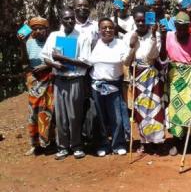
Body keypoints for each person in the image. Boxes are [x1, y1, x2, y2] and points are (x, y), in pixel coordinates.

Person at [41, 8, 92, 160]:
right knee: (61, 116)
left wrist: (63, 59)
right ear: (61, 19)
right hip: (59, 80)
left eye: (71, 18)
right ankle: (62, 147)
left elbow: (86, 62)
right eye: (66, 18)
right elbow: (45, 56)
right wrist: (56, 65)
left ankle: (76, 146)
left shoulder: (82, 37)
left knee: (75, 115)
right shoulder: (54, 36)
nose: (69, 21)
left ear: (75, 19)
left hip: (75, 79)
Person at [123, 5, 167, 154]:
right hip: (138, 76)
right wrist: (131, 45)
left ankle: (158, 141)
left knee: (156, 110)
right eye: (138, 21)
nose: (141, 23)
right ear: (134, 21)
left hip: (153, 75)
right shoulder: (129, 36)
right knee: (140, 111)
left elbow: (152, 57)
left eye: (143, 20)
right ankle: (145, 142)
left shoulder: (155, 34)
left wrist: (154, 36)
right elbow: (126, 62)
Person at [87, 18, 130, 156]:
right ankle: (103, 145)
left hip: (114, 85)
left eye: (110, 27)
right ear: (99, 30)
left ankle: (118, 144)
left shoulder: (120, 44)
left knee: (116, 117)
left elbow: (127, 62)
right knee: (100, 116)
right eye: (104, 28)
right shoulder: (93, 44)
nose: (107, 30)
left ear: (114, 29)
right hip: (97, 85)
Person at [19, 17, 54, 155]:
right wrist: (22, 44)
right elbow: (24, 61)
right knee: (33, 112)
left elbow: (58, 58)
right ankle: (35, 144)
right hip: (34, 81)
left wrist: (45, 65)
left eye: (41, 28)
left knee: (47, 111)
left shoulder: (51, 42)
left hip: (49, 79)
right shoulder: (29, 43)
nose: (38, 31)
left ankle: (49, 142)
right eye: (35, 29)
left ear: (47, 30)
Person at [165, 12, 191, 156]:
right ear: (175, 26)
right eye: (179, 28)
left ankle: (190, 142)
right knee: (175, 108)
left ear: (190, 27)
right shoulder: (169, 36)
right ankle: (177, 141)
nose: (182, 31)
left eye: (185, 28)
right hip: (175, 75)